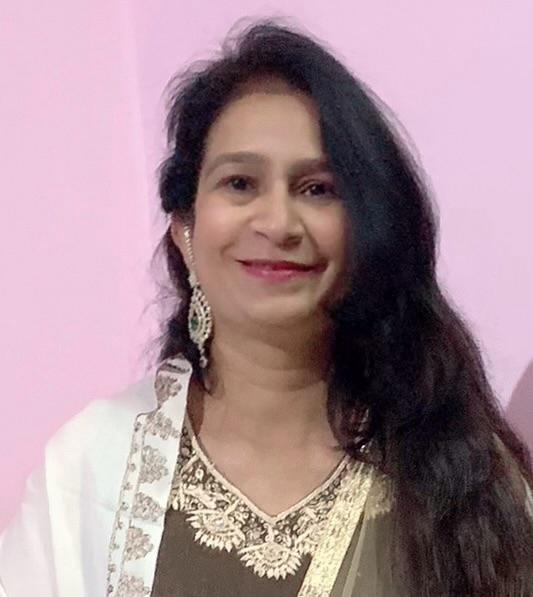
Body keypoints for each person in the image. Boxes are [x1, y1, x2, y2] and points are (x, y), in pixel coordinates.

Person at [1, 16, 532, 597]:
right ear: (184, 228)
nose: (278, 223)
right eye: (240, 183)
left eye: (317, 189)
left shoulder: (460, 478)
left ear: (366, 229)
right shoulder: (91, 470)